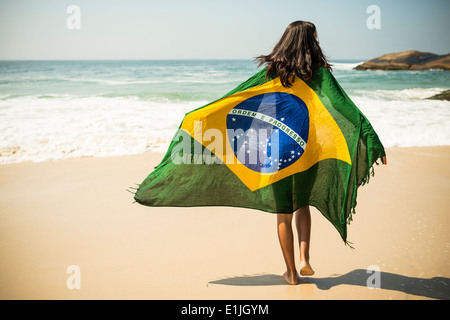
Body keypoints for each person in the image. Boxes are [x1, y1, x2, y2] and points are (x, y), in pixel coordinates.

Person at [255, 21, 387, 285]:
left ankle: (291, 273)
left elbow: (257, 106)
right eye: (316, 37)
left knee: (283, 211)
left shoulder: (272, 70)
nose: (319, 41)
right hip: (307, 146)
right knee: (303, 202)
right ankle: (305, 259)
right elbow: (345, 107)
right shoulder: (319, 72)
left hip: (277, 147)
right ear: (310, 40)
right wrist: (373, 141)